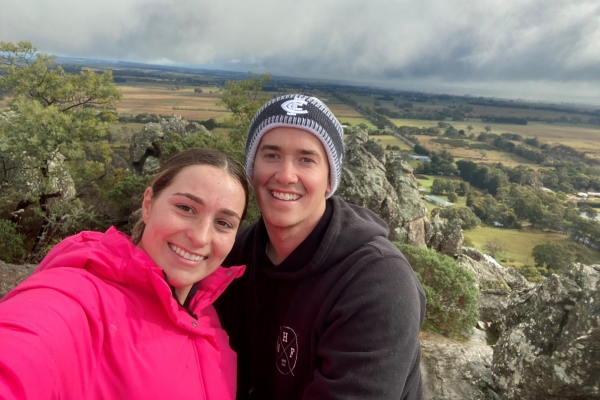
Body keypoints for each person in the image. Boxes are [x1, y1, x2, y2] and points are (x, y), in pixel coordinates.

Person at [215, 94, 426, 399]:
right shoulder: (233, 255)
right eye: (271, 155)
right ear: (251, 170)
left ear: (329, 180)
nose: (286, 175)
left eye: (306, 159)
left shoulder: (377, 282)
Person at [0, 148, 249, 399]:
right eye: (186, 208)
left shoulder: (206, 313)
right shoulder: (84, 301)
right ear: (148, 204)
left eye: (224, 223)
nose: (200, 237)